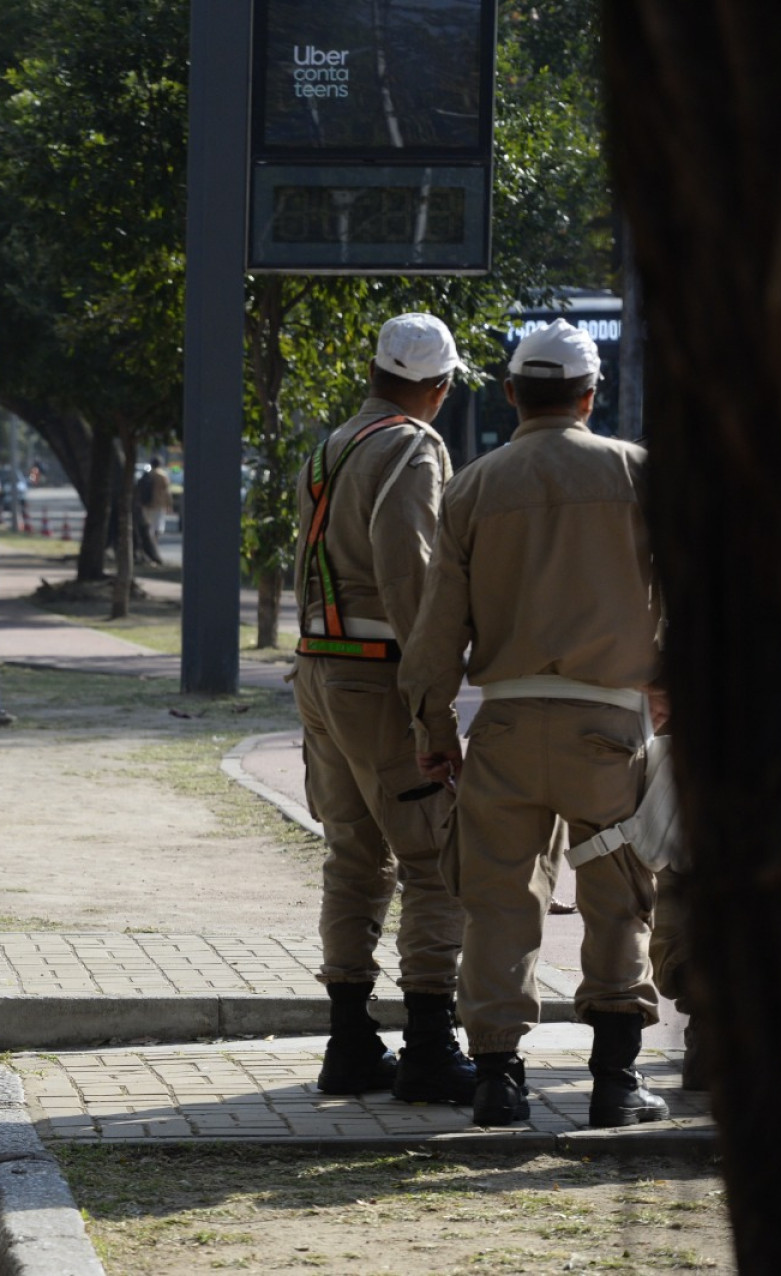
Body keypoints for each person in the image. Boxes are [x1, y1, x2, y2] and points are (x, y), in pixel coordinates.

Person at [400, 318, 667, 1129]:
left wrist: (435, 728)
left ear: (513, 393)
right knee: (618, 900)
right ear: (591, 395)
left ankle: (496, 1083)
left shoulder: (476, 484)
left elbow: (438, 629)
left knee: (499, 904)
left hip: (506, 730)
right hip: (610, 730)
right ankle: (615, 1085)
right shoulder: (637, 475)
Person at [291, 312, 475, 1105]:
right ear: (439, 385)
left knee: (353, 857)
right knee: (436, 860)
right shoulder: (413, 445)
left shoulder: (330, 447)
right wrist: (436, 715)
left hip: (320, 670)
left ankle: (351, 1043)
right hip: (379, 678)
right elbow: (412, 579)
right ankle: (432, 1046)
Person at [135, 457, 173, 566]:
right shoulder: (162, 476)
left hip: (146, 504)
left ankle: (147, 551)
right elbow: (166, 491)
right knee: (156, 528)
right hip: (158, 505)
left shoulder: (147, 474)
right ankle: (153, 547)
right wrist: (169, 504)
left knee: (148, 526)